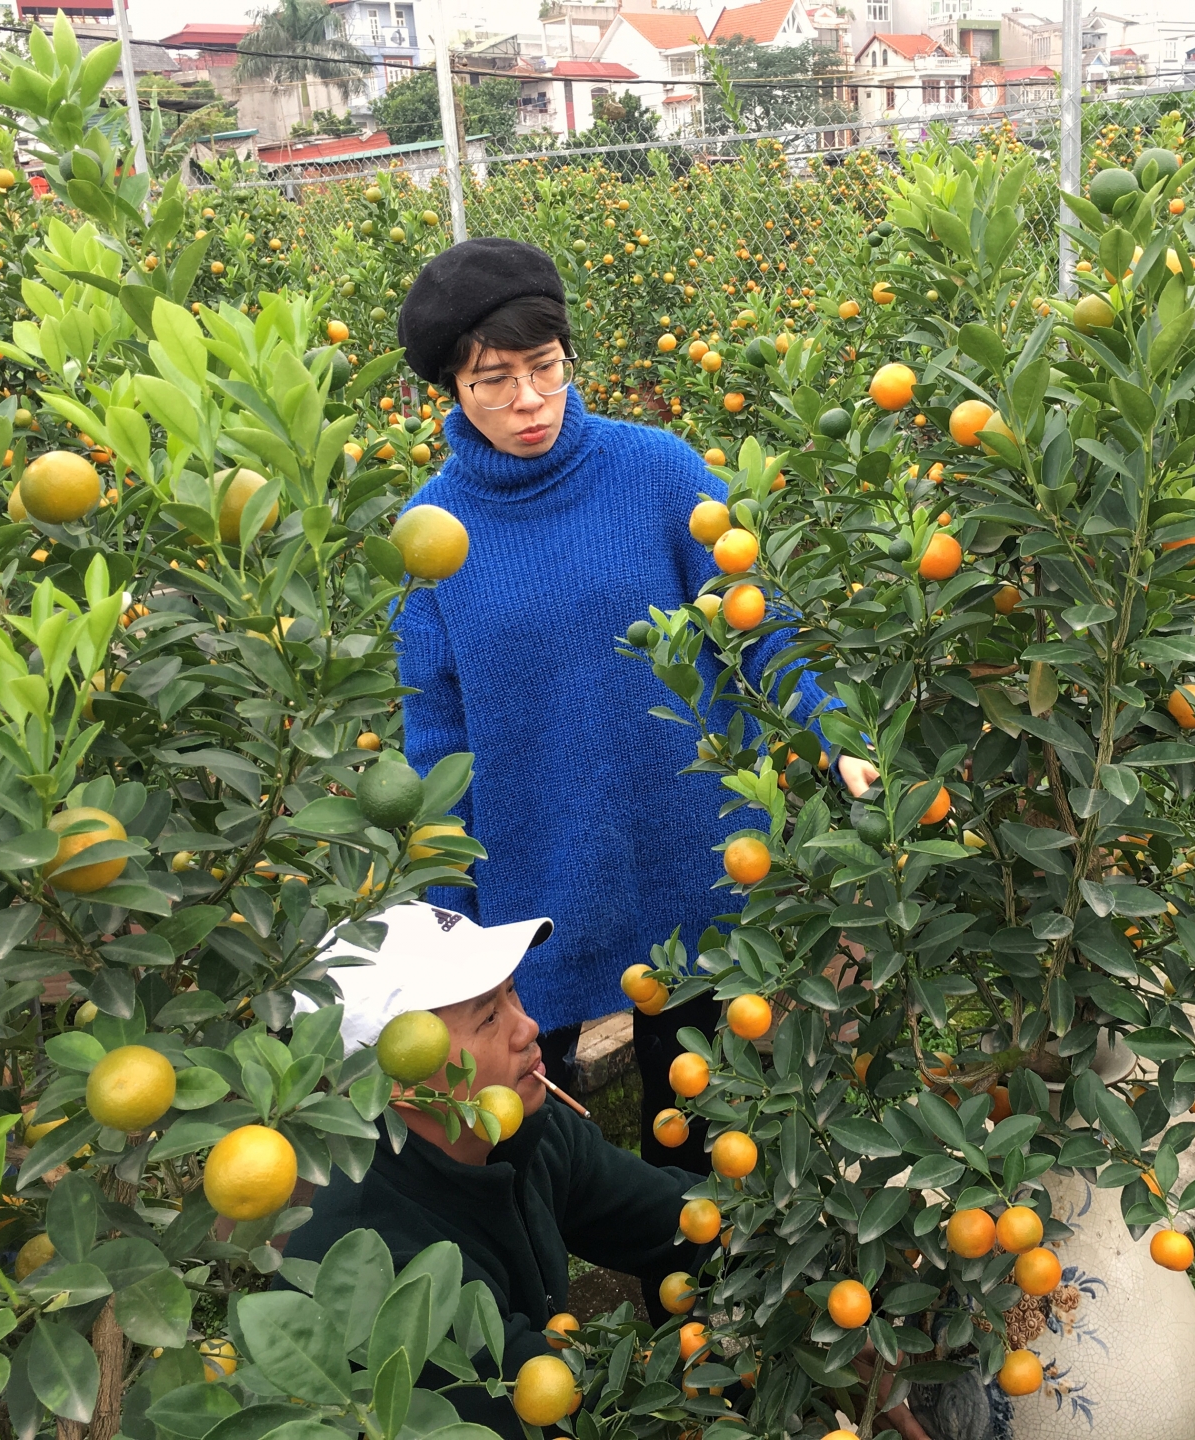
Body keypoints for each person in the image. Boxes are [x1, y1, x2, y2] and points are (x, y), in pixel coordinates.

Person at [391, 237, 823, 1169]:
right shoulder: (431, 537)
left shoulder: (656, 471)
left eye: (545, 367)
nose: (529, 400)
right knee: (522, 1131)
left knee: (703, 1119)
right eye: (494, 381)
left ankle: (699, 1260)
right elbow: (434, 739)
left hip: (690, 840)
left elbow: (757, 622)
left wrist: (832, 733)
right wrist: (448, 920)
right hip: (538, 860)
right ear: (450, 390)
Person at [283, 902, 709, 1436]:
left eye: (512, 993)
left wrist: (784, 1228)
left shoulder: (526, 1129)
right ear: (397, 1079)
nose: (528, 1027)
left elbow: (672, 1218)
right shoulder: (380, 1265)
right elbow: (550, 1411)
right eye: (487, 1017)